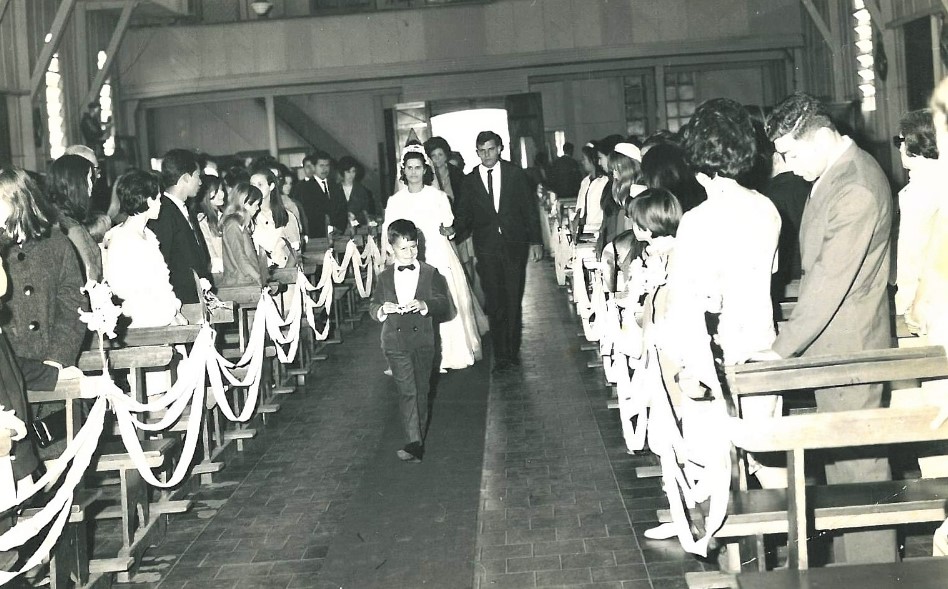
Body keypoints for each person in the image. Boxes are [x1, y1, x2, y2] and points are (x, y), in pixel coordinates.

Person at [757, 91, 896, 564]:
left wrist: (779, 351)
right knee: (843, 466)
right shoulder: (835, 174)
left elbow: (829, 281)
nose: (789, 166)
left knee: (860, 470)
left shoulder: (854, 185)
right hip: (837, 347)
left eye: (792, 153)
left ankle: (874, 572)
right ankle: (854, 566)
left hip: (851, 348)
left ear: (820, 137)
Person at [448, 130, 543, 372]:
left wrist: (535, 242)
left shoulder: (515, 175)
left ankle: (512, 350)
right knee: (494, 300)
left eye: (490, 149)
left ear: (499, 149)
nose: (486, 155)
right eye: (481, 151)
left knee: (513, 298)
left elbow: (529, 210)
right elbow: (464, 215)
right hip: (487, 248)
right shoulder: (470, 181)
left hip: (514, 246)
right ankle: (501, 354)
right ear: (477, 152)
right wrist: (451, 231)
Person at [383, 146, 484, 371]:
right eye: (409, 168)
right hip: (407, 255)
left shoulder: (438, 196)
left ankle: (447, 354)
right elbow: (387, 232)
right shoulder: (395, 201)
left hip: (436, 254)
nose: (413, 173)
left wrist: (447, 229)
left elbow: (448, 224)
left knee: (439, 300)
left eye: (418, 168)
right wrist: (392, 256)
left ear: (425, 169)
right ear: (403, 171)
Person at [369, 219, 451, 464]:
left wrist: (425, 305)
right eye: (403, 249)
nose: (410, 253)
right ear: (391, 248)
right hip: (394, 342)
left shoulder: (430, 273)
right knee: (407, 391)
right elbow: (373, 307)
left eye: (414, 247)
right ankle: (414, 442)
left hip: (423, 341)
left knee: (422, 391)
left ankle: (418, 437)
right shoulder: (384, 277)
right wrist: (383, 308)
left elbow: (444, 304)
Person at [103, 170, 186, 328]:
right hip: (141, 321)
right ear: (148, 200)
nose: (161, 203)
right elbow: (130, 292)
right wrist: (170, 314)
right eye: (158, 198)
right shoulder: (124, 240)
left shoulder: (147, 234)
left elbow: (162, 282)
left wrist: (175, 310)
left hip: (160, 314)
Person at [893, 109, 941, 321]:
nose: (899, 147)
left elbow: (917, 255)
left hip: (926, 308)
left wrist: (911, 305)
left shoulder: (924, 190)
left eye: (900, 140)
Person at [148, 149, 212, 305]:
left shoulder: (183, 209)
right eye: (197, 176)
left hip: (195, 297)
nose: (200, 182)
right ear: (185, 178)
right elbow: (163, 262)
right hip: (181, 301)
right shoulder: (163, 213)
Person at [45, 154, 103, 282]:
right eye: (88, 179)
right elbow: (90, 277)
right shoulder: (72, 229)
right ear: (75, 183)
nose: (91, 186)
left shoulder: (54, 218)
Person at [219, 183, 269, 287]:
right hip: (240, 282)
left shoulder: (240, 224)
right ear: (246, 205)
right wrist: (259, 278)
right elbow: (240, 256)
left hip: (246, 280)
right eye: (256, 204)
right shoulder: (233, 225)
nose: (258, 208)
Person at [250, 166, 301, 268]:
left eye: (260, 184)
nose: (256, 189)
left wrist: (285, 273)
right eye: (252, 185)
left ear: (271, 186)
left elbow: (296, 250)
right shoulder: (249, 215)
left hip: (283, 270)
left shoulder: (286, 216)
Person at [291, 151, 347, 239]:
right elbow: (306, 214)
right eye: (321, 166)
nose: (325, 169)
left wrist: (338, 228)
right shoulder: (304, 188)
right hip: (316, 237)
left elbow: (343, 209)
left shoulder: (335, 186)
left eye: (327, 165)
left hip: (337, 236)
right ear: (313, 167)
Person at [191, 174, 226, 275]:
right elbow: (210, 253)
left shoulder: (223, 215)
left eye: (222, 189)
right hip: (217, 272)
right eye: (216, 191)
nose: (222, 194)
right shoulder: (202, 219)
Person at [338, 155, 380, 228]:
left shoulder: (362, 190)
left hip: (359, 229)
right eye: (348, 172)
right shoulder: (335, 189)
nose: (351, 175)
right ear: (342, 172)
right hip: (339, 231)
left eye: (353, 171)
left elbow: (367, 213)